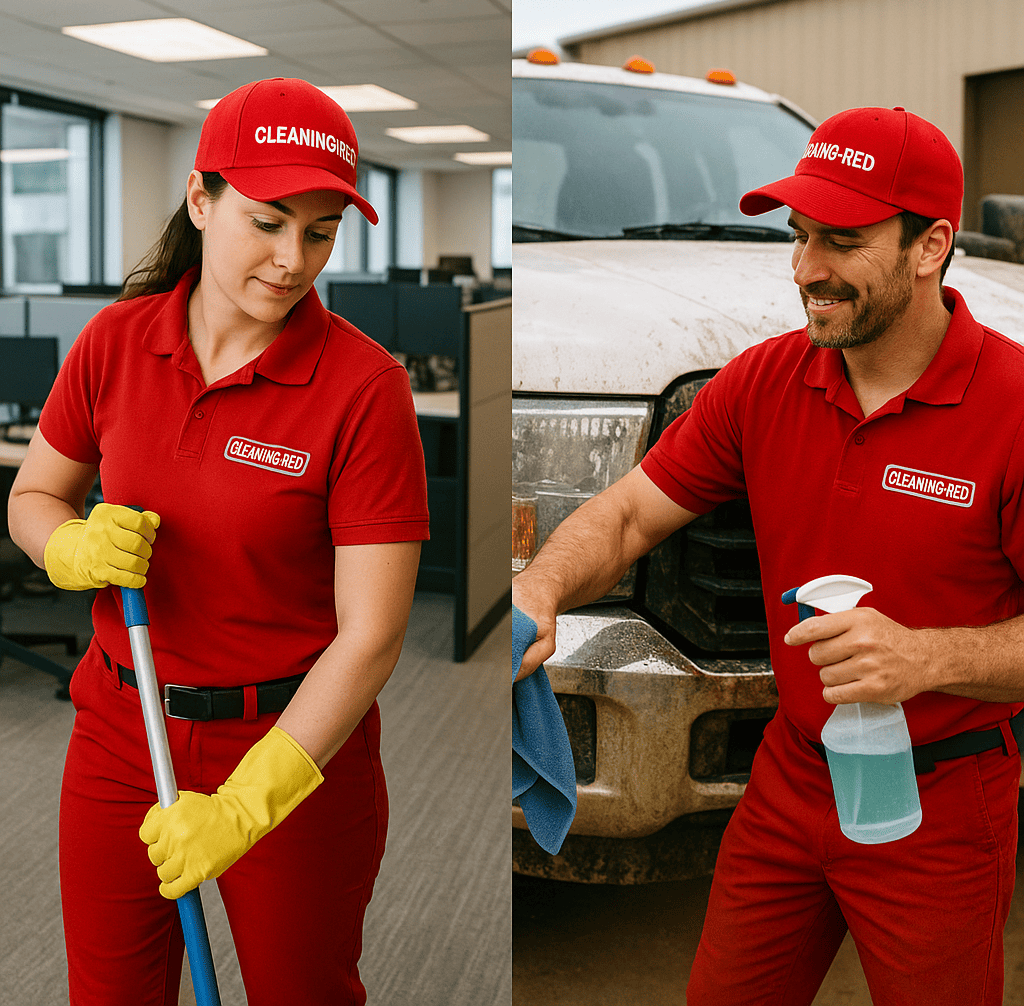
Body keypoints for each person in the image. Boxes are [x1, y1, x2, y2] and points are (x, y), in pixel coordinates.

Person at [512, 105, 1024, 1005]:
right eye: (798, 236)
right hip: (787, 782)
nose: (805, 270)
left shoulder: (1013, 407)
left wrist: (928, 656)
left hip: (942, 802)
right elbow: (630, 516)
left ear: (931, 245)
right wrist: (542, 586)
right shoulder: (766, 380)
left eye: (842, 240)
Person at [8, 76, 429, 1006]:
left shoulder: (364, 388)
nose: (293, 259)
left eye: (319, 232)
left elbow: (373, 635)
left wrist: (249, 802)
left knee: (300, 990)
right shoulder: (113, 343)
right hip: (126, 728)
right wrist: (67, 547)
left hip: (291, 738)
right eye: (268, 220)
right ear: (200, 200)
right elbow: (35, 492)